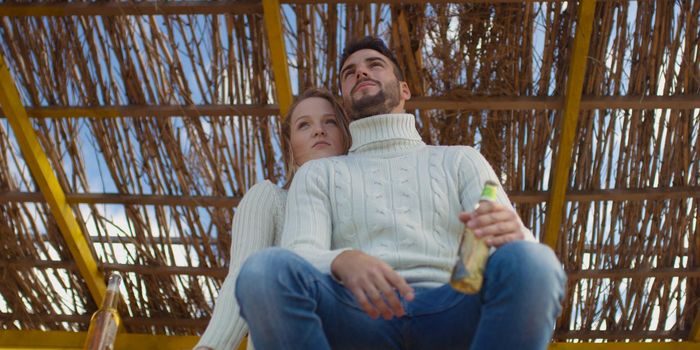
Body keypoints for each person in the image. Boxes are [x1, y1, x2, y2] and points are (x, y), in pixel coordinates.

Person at [236, 37, 567, 350]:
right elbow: (299, 252)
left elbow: (488, 256)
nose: (361, 72)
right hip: (358, 315)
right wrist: (342, 258)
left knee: (532, 260)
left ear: (405, 89)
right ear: (345, 103)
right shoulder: (319, 173)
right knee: (264, 271)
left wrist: (516, 235)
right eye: (349, 73)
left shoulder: (460, 159)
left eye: (374, 65)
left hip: (454, 305)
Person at [194, 88, 351, 350]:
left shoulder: (364, 207)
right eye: (304, 125)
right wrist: (210, 347)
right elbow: (241, 277)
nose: (319, 130)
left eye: (330, 121)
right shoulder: (271, 199)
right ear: (290, 146)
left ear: (345, 136)